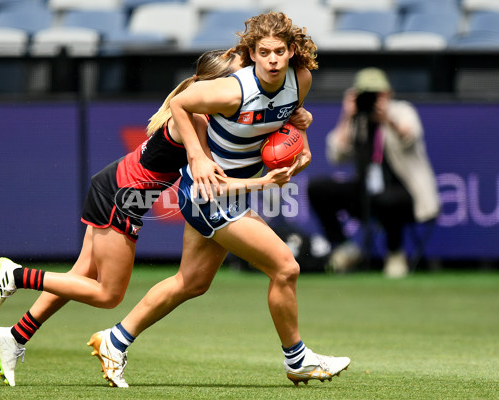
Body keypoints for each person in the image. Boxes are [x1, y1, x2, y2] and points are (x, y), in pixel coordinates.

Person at [0, 49, 313, 387]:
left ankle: (15, 336)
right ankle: (17, 275)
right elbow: (215, 177)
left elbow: (253, 118)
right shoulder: (197, 121)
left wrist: (295, 117)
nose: (239, 88)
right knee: (107, 294)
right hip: (121, 197)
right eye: (232, 80)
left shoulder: (205, 113)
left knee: (81, 274)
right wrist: (266, 181)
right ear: (212, 86)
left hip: (114, 185)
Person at [86, 12, 350, 388]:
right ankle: (298, 359)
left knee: (191, 282)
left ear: (291, 51)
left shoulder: (300, 79)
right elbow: (181, 103)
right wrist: (195, 155)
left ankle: (115, 340)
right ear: (252, 54)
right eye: (264, 52)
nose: (273, 59)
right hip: (210, 194)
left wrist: (301, 144)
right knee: (286, 268)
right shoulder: (234, 90)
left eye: (279, 51)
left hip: (232, 193)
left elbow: (288, 117)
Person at [307, 67, 440, 278]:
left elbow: (410, 136)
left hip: (405, 193)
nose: (372, 100)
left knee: (387, 199)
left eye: (377, 94)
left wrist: (387, 118)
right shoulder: (357, 119)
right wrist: (346, 116)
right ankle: (345, 247)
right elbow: (336, 155)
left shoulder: (401, 111)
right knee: (319, 188)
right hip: (366, 191)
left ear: (388, 94)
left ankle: (395, 254)